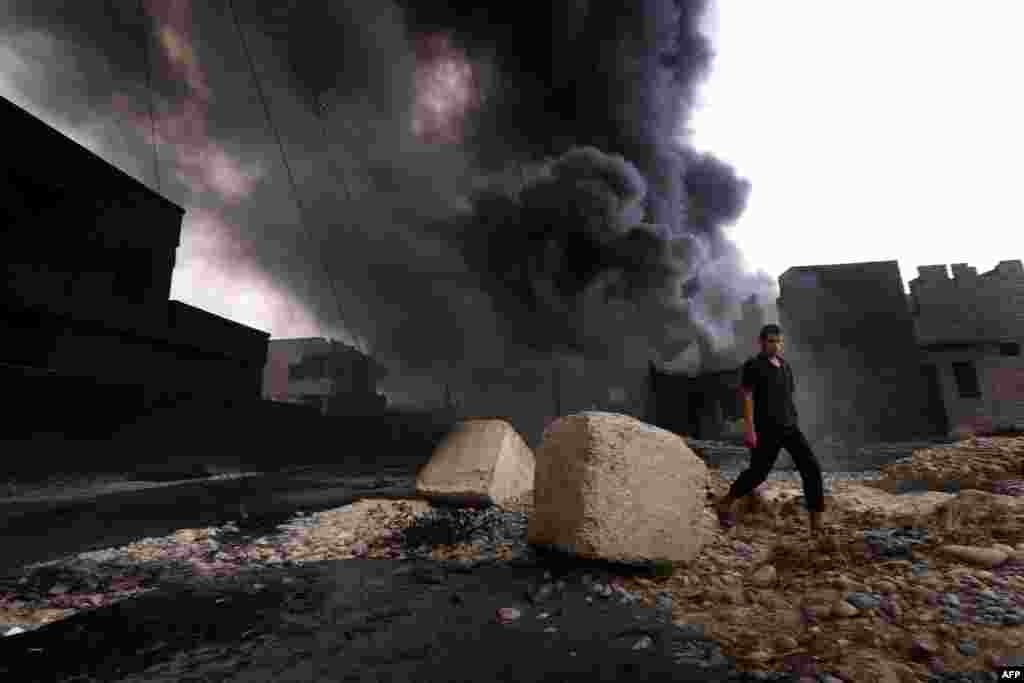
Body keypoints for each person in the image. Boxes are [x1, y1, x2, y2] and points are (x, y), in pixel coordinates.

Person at [714, 324, 827, 538]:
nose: (775, 346)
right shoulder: (753, 365)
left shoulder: (785, 366)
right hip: (767, 430)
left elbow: (786, 396)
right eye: (771, 341)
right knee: (758, 473)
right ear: (762, 342)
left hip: (790, 427)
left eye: (778, 341)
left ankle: (816, 522)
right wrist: (750, 429)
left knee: (811, 467)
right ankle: (726, 503)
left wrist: (792, 418)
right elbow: (747, 397)